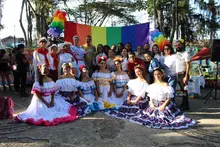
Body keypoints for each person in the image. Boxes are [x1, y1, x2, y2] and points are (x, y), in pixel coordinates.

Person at [131, 68, 196, 129]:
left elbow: (169, 98)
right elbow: (151, 96)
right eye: (155, 74)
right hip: (154, 103)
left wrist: (163, 105)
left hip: (164, 103)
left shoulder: (166, 85)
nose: (157, 75)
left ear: (162, 74)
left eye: (158, 74)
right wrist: (151, 103)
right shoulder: (152, 85)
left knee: (164, 117)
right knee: (148, 116)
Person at [175, 40, 190, 110]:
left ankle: (186, 106)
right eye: (176, 45)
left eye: (179, 45)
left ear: (182, 45)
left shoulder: (185, 53)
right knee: (181, 91)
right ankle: (183, 104)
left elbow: (188, 65)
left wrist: (186, 76)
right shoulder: (176, 54)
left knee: (184, 90)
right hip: (176, 74)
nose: (177, 46)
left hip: (183, 74)